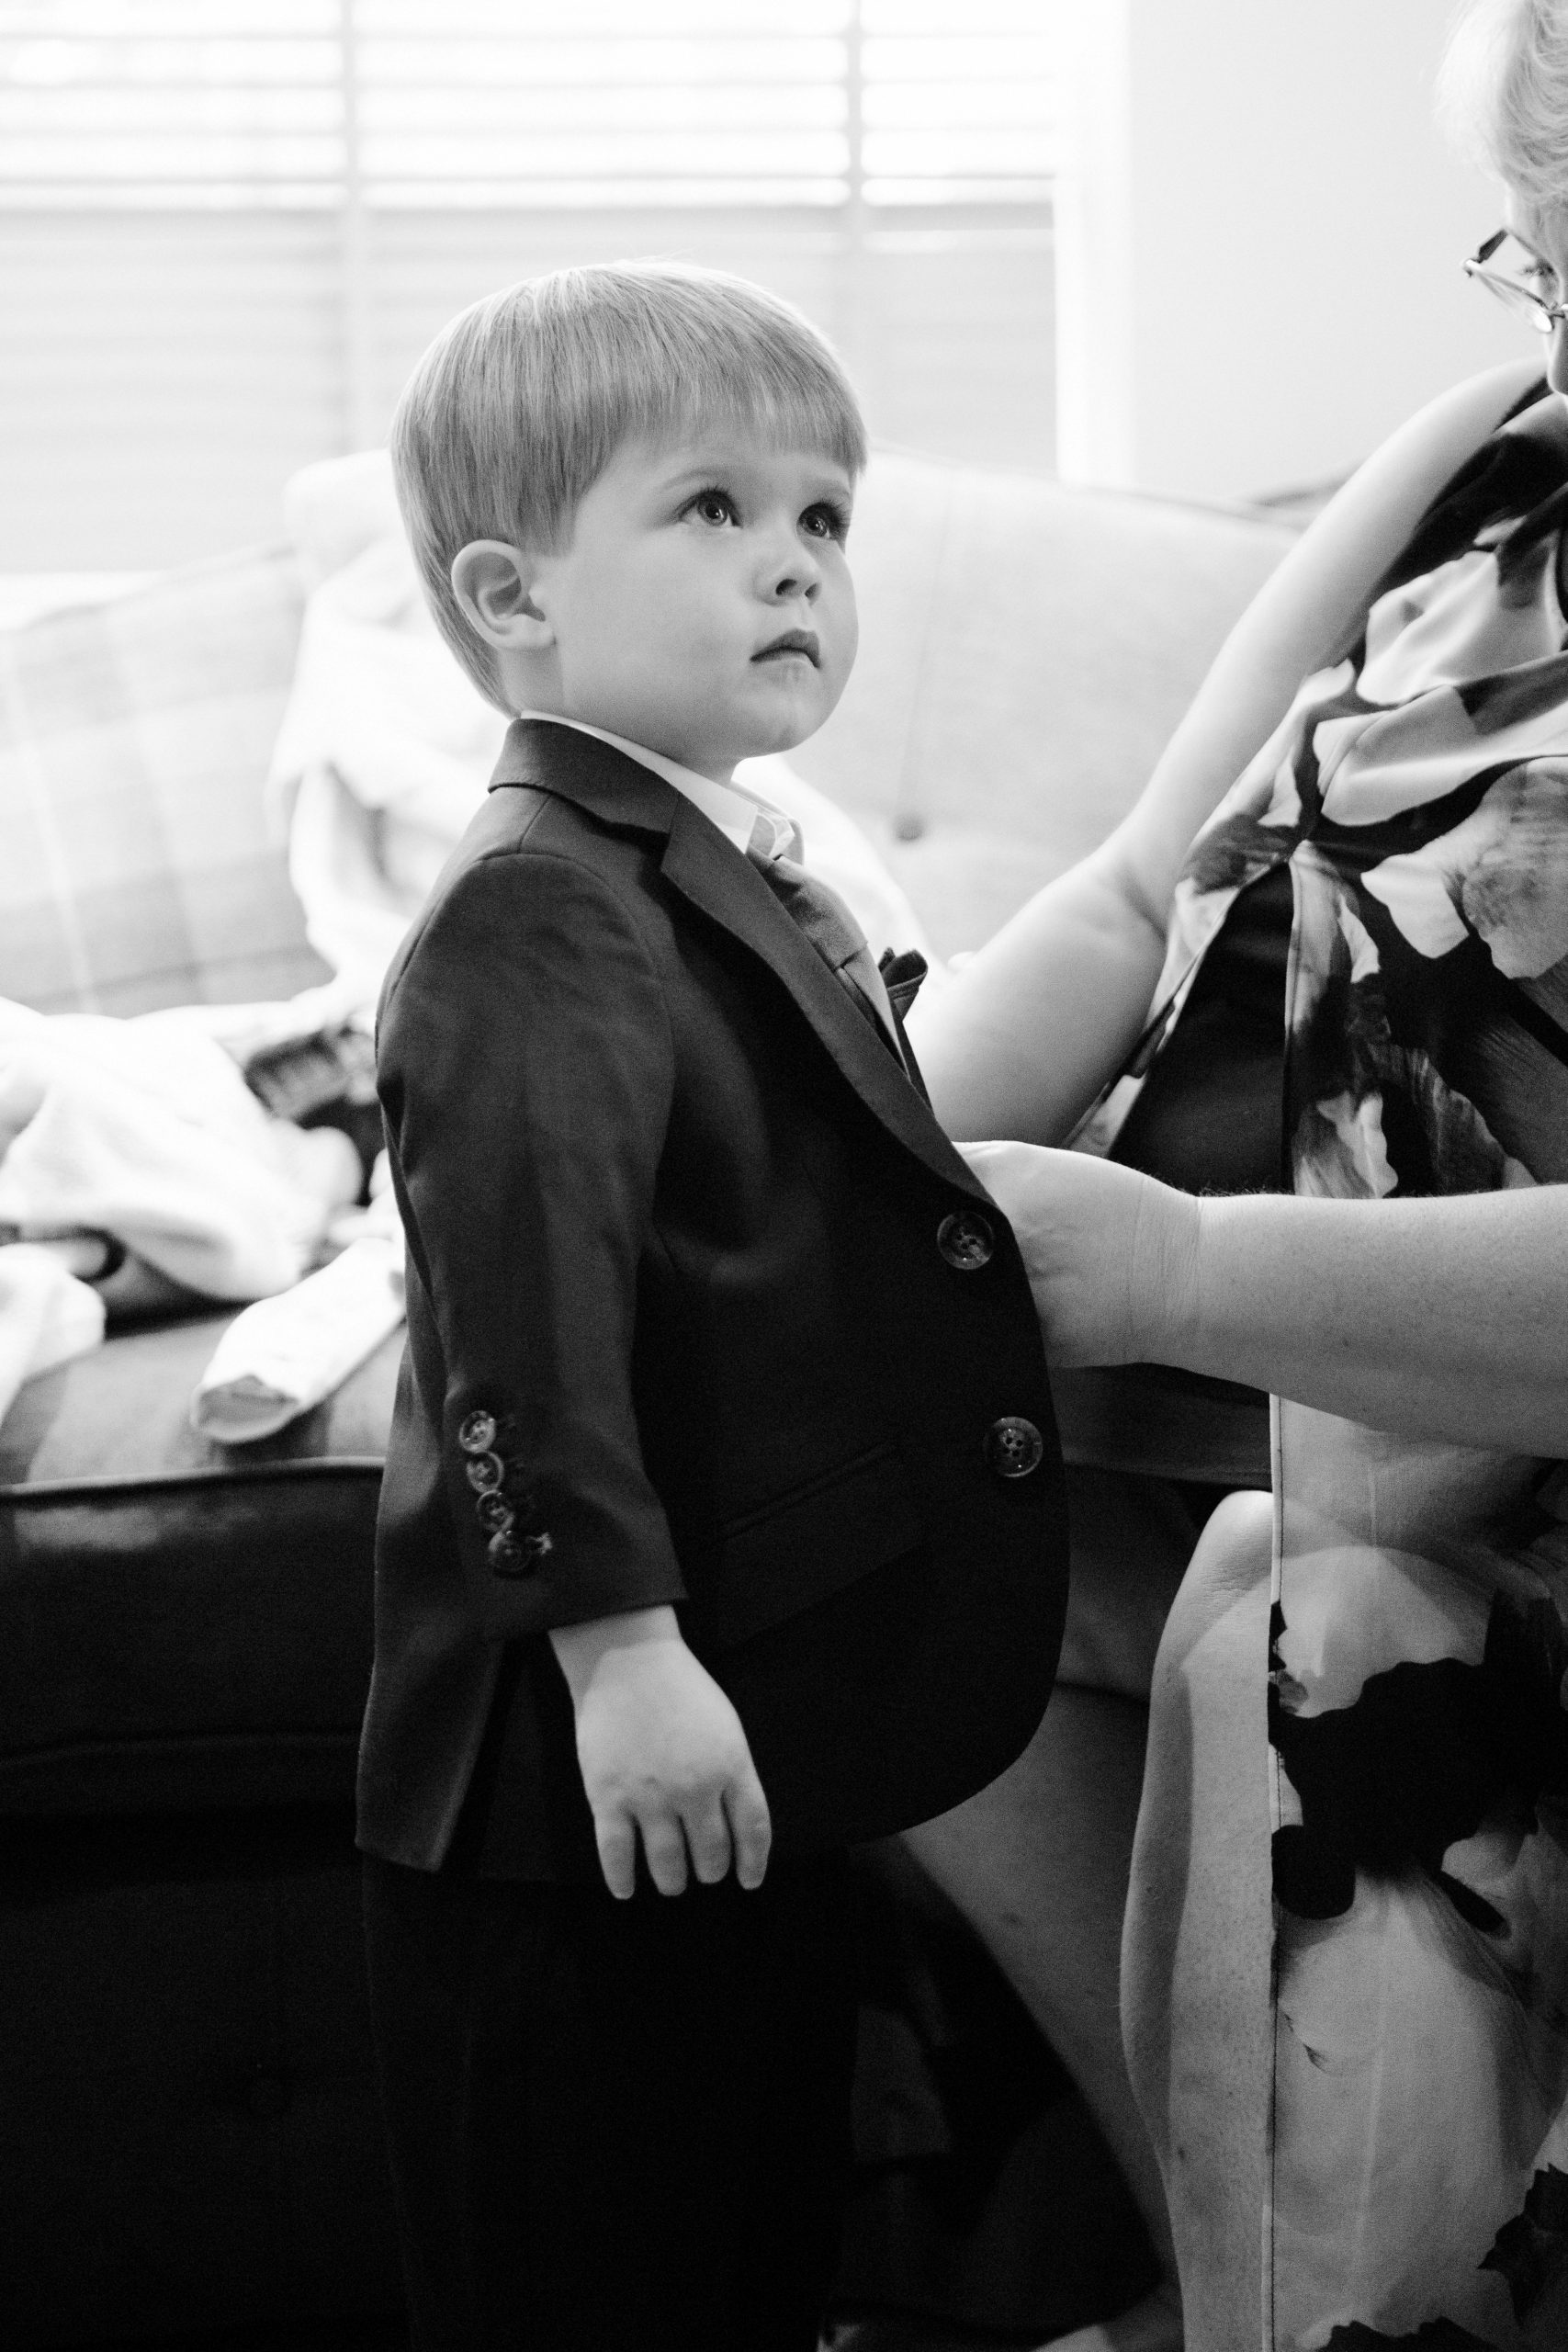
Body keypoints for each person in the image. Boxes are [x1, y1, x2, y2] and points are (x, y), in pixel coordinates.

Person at [903, 5, 1568, 2346]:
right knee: (817, 1522)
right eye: (1532, 256)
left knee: (1272, 1613)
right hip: (1206, 1370)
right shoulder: (1477, 454)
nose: (1544, 336)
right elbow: (1120, 893)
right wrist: (846, 1167)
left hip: (1462, 1431)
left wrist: (1181, 1266)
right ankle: (1214, 2268)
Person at [355, 260, 1068, 2352]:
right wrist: (620, 1646)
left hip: (744, 1718)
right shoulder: (536, 908)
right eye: (714, 508)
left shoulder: (720, 866)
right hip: (569, 1776)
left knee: (742, 2231)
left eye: (825, 516)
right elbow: (522, 1327)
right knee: (594, 2257)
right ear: (513, 597)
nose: (794, 562)